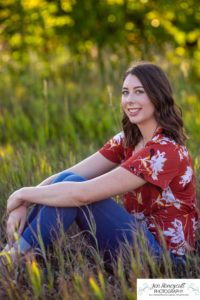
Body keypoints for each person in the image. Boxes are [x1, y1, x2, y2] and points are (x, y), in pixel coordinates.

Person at [3, 62, 199, 267]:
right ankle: (17, 254)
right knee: (68, 181)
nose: (129, 100)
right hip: (132, 243)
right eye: (125, 92)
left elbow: (83, 194)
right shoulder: (127, 140)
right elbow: (67, 175)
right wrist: (23, 203)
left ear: (158, 96)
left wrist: (21, 194)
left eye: (139, 92)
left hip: (164, 261)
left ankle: (12, 258)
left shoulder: (165, 150)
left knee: (75, 189)